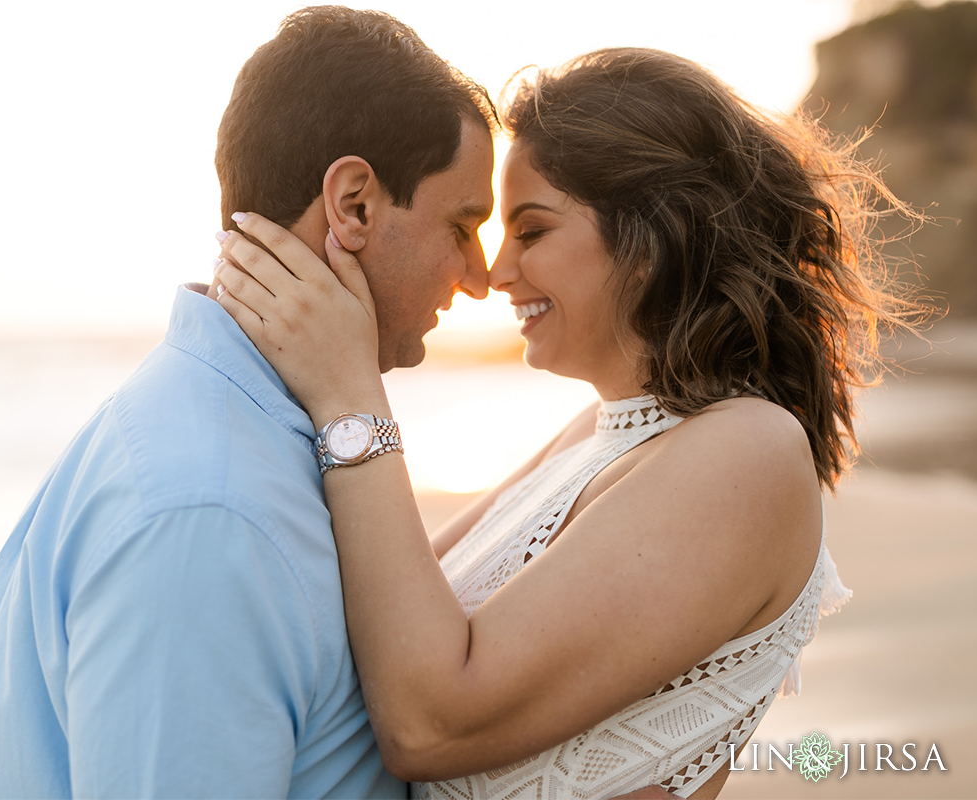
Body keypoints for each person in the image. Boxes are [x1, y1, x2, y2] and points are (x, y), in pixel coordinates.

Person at [213, 48, 918, 798]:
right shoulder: (596, 435)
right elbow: (372, 618)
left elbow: (430, 723)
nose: (494, 274)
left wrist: (350, 395)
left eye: (533, 231)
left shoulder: (751, 451)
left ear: (650, 239)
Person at [0, 8, 494, 797]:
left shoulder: (220, 436)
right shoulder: (211, 515)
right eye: (462, 223)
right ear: (353, 204)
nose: (478, 274)